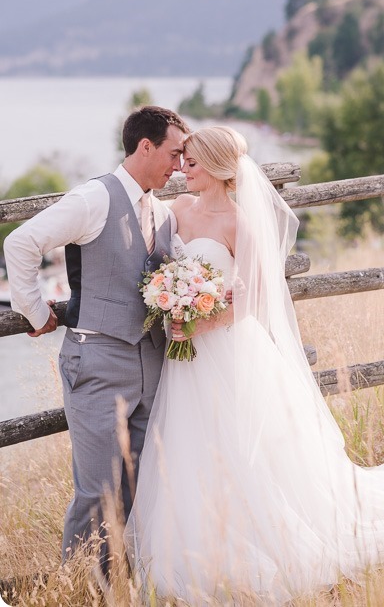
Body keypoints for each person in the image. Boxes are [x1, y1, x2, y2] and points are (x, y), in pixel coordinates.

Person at [125, 126, 384, 603]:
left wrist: (201, 322)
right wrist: (171, 304)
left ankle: (256, 543)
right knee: (186, 441)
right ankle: (186, 548)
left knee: (238, 445)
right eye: (182, 161)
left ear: (218, 169)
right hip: (185, 360)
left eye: (192, 163)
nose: (182, 169)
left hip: (226, 349)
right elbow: (158, 267)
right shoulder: (176, 212)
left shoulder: (239, 224)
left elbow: (256, 296)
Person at [4, 106, 190, 571]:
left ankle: (126, 585)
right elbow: (21, 244)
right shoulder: (95, 199)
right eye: (173, 154)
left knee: (145, 485)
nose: (179, 165)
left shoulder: (163, 213)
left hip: (153, 364)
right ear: (144, 146)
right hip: (98, 361)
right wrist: (35, 309)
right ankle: (80, 590)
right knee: (99, 491)